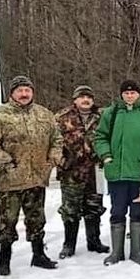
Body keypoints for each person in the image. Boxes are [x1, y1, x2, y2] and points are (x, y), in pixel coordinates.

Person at [0, 75, 62, 275]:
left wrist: (52, 159)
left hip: (37, 177)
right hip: (11, 179)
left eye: (27, 90)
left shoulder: (44, 114)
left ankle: (38, 255)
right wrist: (7, 164)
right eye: (20, 90)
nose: (24, 94)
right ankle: (4, 259)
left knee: (37, 219)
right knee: (8, 221)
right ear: (12, 93)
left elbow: (57, 139)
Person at [94, 80, 140, 265]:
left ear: (139, 94)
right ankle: (116, 253)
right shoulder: (111, 113)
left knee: (137, 212)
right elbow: (100, 136)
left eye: (133, 93)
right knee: (117, 211)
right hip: (117, 173)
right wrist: (106, 155)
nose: (130, 96)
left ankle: (136, 252)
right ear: (121, 94)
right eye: (126, 93)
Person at [55, 85, 109, 259]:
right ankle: (68, 244)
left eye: (89, 97)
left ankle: (94, 242)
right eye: (82, 97)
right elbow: (53, 142)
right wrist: (61, 161)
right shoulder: (61, 117)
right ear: (75, 100)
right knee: (70, 210)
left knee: (94, 207)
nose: (86, 100)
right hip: (72, 172)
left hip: (95, 171)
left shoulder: (102, 117)